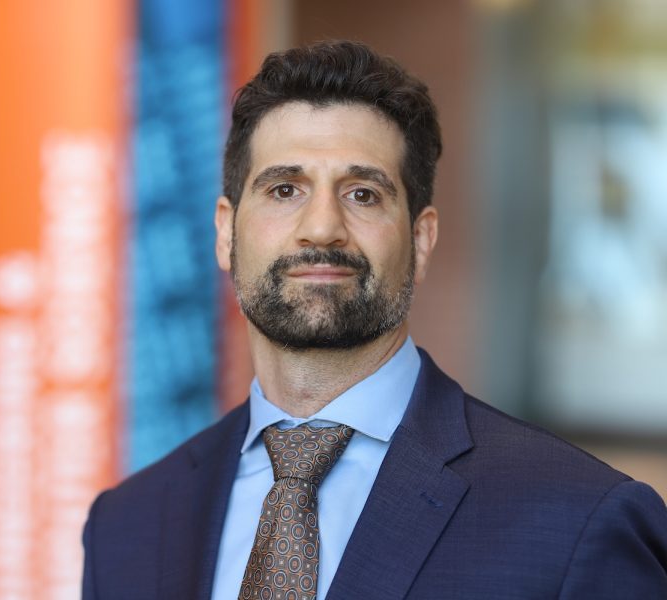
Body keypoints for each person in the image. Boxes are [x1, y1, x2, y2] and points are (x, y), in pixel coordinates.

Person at [81, 41, 667, 599]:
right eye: (285, 189)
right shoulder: (127, 526)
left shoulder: (578, 520)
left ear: (421, 239)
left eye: (362, 194)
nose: (322, 228)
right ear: (226, 233)